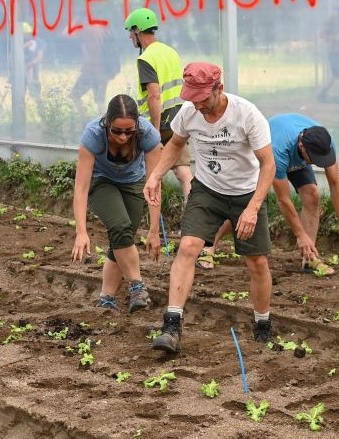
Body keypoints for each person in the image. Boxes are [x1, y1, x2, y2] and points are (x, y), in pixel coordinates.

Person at [144, 62, 276, 352]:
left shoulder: (247, 115)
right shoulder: (189, 112)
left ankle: (263, 324)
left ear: (219, 88)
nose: (198, 104)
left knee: (257, 261)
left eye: (203, 98)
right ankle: (171, 325)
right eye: (192, 97)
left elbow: (268, 164)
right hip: (207, 190)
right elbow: (176, 145)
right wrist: (155, 176)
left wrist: (253, 208)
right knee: (188, 247)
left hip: (245, 192)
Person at [199, 114, 339, 274]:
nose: (318, 163)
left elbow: (335, 183)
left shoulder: (325, 144)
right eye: (315, 159)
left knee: (312, 195)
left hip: (297, 155)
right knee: (248, 203)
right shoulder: (278, 150)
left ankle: (310, 258)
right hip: (269, 154)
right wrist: (300, 235)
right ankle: (209, 246)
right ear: (302, 146)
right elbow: (283, 200)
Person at [71, 94, 162, 313]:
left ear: (137, 126)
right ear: (107, 123)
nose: (123, 136)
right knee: (120, 227)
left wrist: (154, 230)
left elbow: (154, 185)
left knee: (123, 239)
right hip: (102, 182)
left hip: (134, 182)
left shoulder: (148, 134)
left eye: (128, 131)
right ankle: (137, 286)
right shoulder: (93, 135)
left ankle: (107, 298)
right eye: (117, 131)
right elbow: (81, 188)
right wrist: (81, 231)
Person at [124, 7, 193, 205]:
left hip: (159, 125)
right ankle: (191, 222)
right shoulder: (170, 52)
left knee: (152, 172)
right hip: (179, 120)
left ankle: (149, 220)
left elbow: (154, 96)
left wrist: (154, 131)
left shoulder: (146, 58)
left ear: (138, 30)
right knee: (183, 172)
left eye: (131, 31)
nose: (130, 36)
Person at [71, 26, 118, 117]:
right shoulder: (99, 29)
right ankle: (104, 125)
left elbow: (95, 52)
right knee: (100, 101)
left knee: (76, 95)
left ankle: (88, 120)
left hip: (93, 72)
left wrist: (96, 73)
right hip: (100, 72)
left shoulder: (91, 31)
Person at [317, 7, 339, 102]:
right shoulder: (330, 21)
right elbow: (322, 35)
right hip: (332, 51)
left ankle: (322, 93)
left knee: (335, 74)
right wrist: (335, 37)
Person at [22, 21, 45, 116]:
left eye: (26, 34)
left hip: (33, 72)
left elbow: (39, 57)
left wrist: (30, 64)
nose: (26, 36)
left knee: (37, 96)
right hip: (21, 73)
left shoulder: (38, 42)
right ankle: (20, 119)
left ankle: (44, 118)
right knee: (20, 97)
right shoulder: (18, 41)